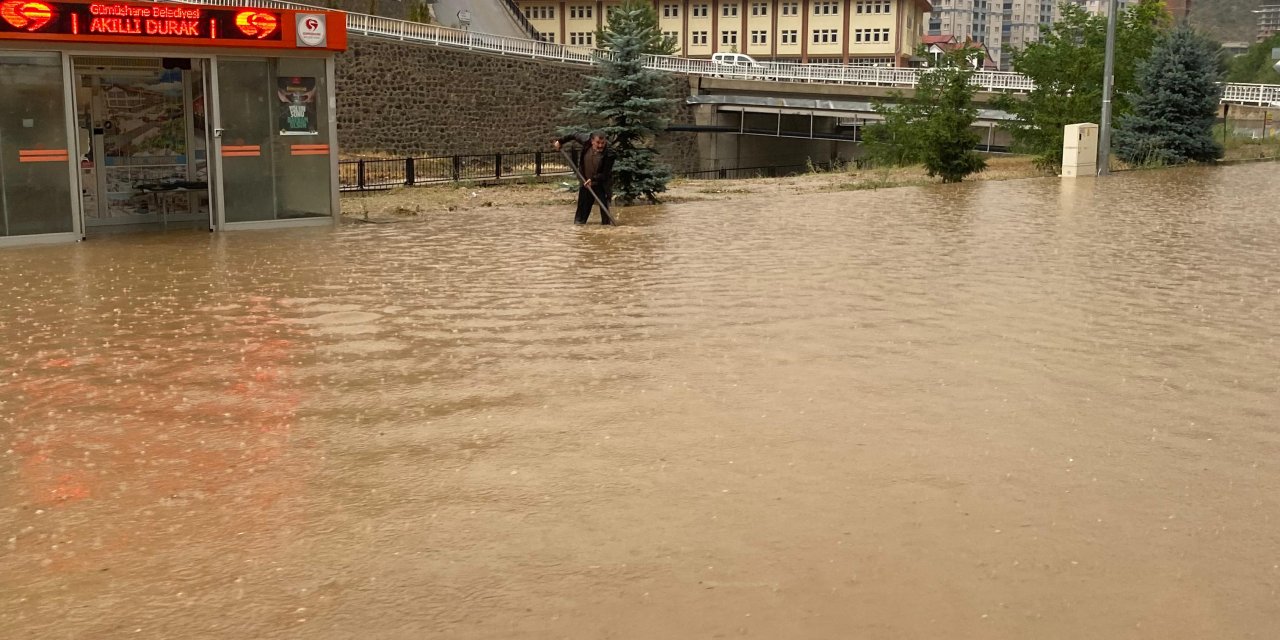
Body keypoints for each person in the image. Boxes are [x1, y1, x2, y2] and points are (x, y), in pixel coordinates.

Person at [554, 131, 615, 225]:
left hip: (601, 183)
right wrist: (560, 141)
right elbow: (573, 135)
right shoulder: (585, 140)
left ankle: (606, 228)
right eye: (598, 143)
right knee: (582, 211)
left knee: (604, 211)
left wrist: (593, 180)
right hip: (585, 180)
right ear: (592, 141)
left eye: (603, 143)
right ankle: (579, 227)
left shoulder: (609, 153)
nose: (600, 146)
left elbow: (605, 173)